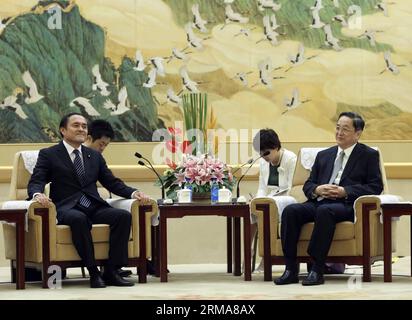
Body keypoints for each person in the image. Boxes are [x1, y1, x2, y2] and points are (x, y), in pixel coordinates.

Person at [28, 113, 151, 288]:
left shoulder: (94, 156)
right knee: (79, 219)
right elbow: (37, 180)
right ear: (63, 130)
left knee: (122, 216)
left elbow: (111, 182)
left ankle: (111, 270)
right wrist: (37, 194)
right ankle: (93, 271)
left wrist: (134, 193)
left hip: (93, 205)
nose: (81, 129)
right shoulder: (49, 154)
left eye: (84, 126)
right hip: (67, 208)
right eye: (76, 125)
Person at [274, 112, 383, 286]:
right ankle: (290, 270)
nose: (339, 132)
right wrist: (317, 189)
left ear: (358, 133)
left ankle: (317, 268)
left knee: (326, 211)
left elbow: (375, 186)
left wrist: (344, 191)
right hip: (319, 201)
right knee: (291, 211)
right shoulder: (324, 155)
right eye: (338, 128)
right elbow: (308, 184)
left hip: (345, 205)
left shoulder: (368, 155)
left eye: (345, 129)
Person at [251, 129, 297, 272]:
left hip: (287, 199)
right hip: (270, 199)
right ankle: (249, 251)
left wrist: (270, 199)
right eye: (260, 153)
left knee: (268, 208)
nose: (263, 156)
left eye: (266, 152)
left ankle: (266, 259)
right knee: (252, 209)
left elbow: (292, 187)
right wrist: (257, 201)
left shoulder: (291, 159)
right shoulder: (264, 163)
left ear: (276, 147)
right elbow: (262, 188)